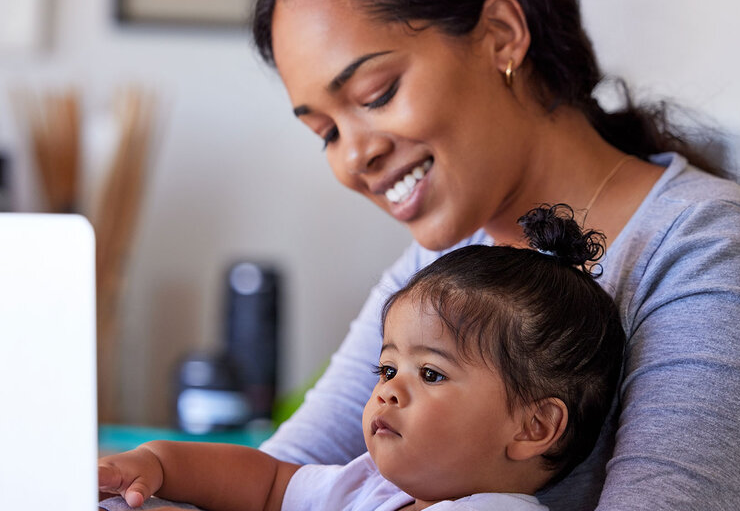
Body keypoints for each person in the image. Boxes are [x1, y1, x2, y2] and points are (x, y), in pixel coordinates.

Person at [241, 0, 740, 509]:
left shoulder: (710, 250)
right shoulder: (445, 263)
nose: (356, 156)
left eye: (377, 94)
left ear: (503, 35)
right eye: (326, 132)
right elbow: (280, 474)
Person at [98, 205, 625, 511]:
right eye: (388, 368)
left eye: (432, 373)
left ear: (534, 427)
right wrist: (159, 463)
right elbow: (267, 484)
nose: (388, 390)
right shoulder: (372, 488)